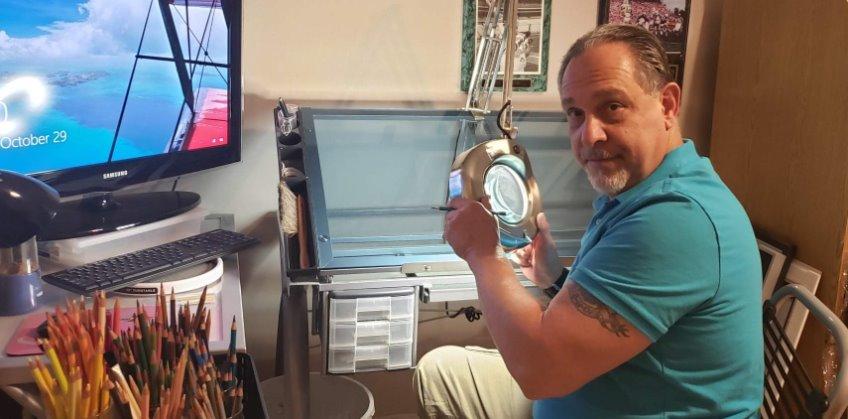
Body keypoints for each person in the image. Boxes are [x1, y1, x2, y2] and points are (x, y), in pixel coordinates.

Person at [414, 24, 764, 418]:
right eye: (575, 114)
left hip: (564, 382)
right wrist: (554, 280)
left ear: (667, 105)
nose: (589, 135)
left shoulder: (675, 219)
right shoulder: (637, 189)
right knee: (441, 371)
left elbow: (540, 372)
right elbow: (617, 314)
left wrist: (483, 255)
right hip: (593, 387)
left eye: (612, 106)